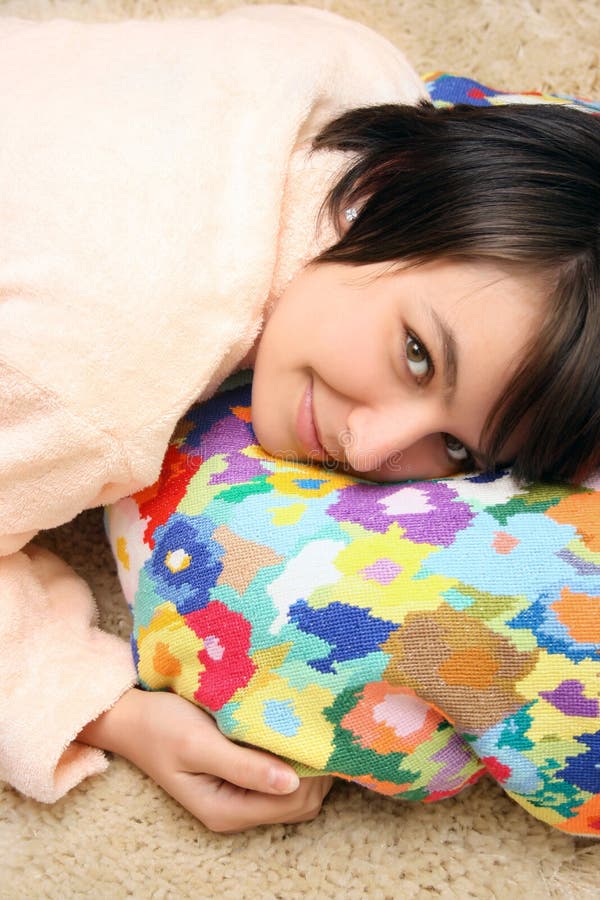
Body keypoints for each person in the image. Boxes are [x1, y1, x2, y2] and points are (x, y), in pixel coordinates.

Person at [1, 6, 599, 833]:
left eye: (456, 447)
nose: (371, 445)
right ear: (389, 190)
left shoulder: (345, 66)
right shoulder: (98, 377)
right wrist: (104, 710)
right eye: (417, 354)